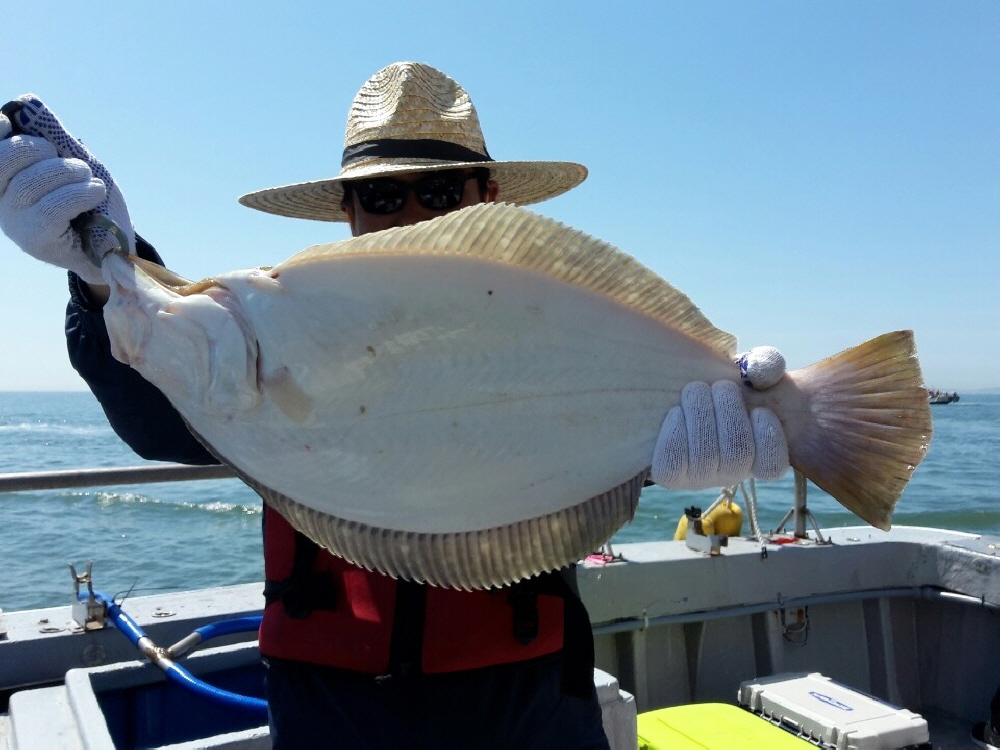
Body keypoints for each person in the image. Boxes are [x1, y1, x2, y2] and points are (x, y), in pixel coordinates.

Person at [0, 62, 788, 749]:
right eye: (380, 195)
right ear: (349, 213)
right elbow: (160, 419)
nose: (408, 216)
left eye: (439, 191)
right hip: (332, 710)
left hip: (527, 703)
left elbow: (597, 431)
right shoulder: (282, 327)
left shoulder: (558, 317)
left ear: (490, 197)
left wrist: (704, 433)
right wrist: (104, 275)